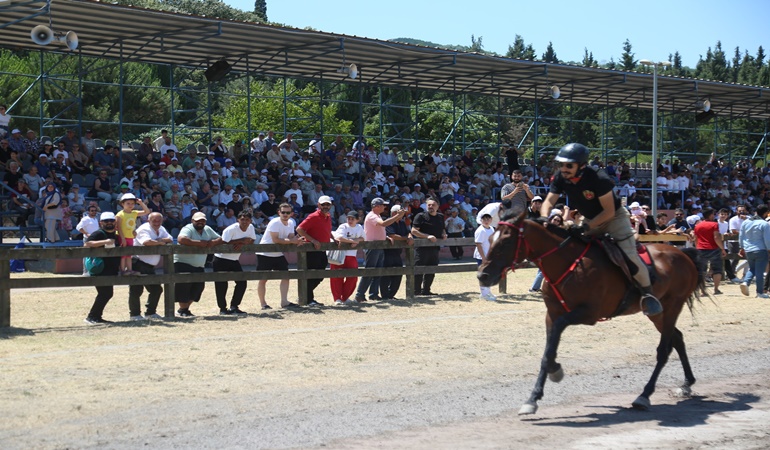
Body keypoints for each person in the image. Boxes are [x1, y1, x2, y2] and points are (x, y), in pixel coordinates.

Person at [540, 143, 663, 316]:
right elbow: (548, 201)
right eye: (561, 164)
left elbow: (609, 212)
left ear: (582, 166)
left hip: (614, 219)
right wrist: (544, 218)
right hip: (589, 218)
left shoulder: (599, 178)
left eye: (569, 165)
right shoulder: (561, 176)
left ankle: (648, 295)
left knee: (629, 256)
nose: (564, 168)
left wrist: (586, 226)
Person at [354, 198, 407, 302]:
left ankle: (373, 294)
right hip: (373, 246)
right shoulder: (372, 216)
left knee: (377, 272)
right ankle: (360, 294)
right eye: (383, 205)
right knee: (370, 271)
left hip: (378, 246)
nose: (384, 207)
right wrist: (397, 216)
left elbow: (378, 229)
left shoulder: (377, 216)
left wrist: (385, 237)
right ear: (377, 206)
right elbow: (383, 224)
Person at [255, 203, 305, 309]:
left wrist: (297, 240)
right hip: (265, 253)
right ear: (279, 212)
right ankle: (263, 304)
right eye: (283, 212)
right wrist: (293, 241)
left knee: (286, 276)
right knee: (263, 279)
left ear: (291, 214)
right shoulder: (274, 222)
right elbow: (276, 239)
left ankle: (284, 302)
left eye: (288, 212)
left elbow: (291, 237)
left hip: (278, 253)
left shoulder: (291, 222)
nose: (285, 214)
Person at [174, 211, 222, 317]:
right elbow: (181, 239)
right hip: (183, 262)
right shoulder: (188, 228)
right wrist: (199, 243)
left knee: (198, 287)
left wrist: (213, 242)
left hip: (199, 264)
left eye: (203, 221)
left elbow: (220, 238)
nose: (200, 222)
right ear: (192, 221)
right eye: (198, 220)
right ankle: (183, 309)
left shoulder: (207, 229)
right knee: (184, 286)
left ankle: (183, 309)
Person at [128, 212, 173, 321]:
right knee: (136, 290)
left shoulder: (161, 228)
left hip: (149, 266)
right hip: (138, 263)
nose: (157, 223)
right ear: (148, 220)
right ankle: (134, 315)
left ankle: (150, 312)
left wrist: (160, 241)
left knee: (156, 289)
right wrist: (160, 242)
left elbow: (170, 238)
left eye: (159, 220)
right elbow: (147, 242)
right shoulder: (144, 229)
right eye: (154, 221)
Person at [213, 210, 256, 316]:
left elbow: (252, 240)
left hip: (234, 259)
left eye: (247, 220)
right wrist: (241, 241)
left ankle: (234, 306)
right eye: (242, 219)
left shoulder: (251, 228)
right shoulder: (231, 229)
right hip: (221, 258)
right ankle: (222, 308)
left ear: (250, 221)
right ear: (238, 220)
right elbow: (223, 242)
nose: (244, 222)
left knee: (242, 282)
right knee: (221, 284)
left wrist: (243, 243)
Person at [83, 212, 121, 325]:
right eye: (106, 221)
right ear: (101, 223)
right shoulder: (98, 233)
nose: (109, 223)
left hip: (111, 269)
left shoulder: (116, 234)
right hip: (100, 269)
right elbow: (87, 244)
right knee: (105, 293)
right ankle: (92, 317)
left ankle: (96, 317)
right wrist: (105, 242)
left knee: (107, 293)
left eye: (111, 220)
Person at [296, 195, 334, 306]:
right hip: (312, 250)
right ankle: (307, 299)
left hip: (322, 250)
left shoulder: (328, 216)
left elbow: (326, 230)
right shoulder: (313, 216)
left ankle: (305, 295)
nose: (325, 206)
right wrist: (313, 240)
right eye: (323, 204)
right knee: (312, 274)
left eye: (327, 204)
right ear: (318, 205)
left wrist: (333, 237)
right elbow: (299, 229)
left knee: (320, 274)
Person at [410, 198, 447, 296]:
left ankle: (426, 290)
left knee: (432, 269)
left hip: (434, 248)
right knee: (419, 269)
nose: (431, 207)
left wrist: (444, 234)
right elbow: (414, 231)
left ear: (438, 206)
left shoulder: (440, 216)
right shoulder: (420, 216)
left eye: (433, 205)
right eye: (429, 205)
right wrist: (427, 236)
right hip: (421, 248)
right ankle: (416, 291)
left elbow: (442, 229)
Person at [330, 211, 365, 306]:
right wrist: (351, 241)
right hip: (339, 255)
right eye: (348, 218)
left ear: (358, 220)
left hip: (351, 256)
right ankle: (337, 298)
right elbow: (339, 237)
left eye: (352, 219)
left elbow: (363, 237)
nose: (350, 220)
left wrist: (357, 240)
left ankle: (345, 297)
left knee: (353, 277)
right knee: (337, 277)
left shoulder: (359, 227)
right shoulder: (343, 226)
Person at [738, 205, 770, 299]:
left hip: (748, 249)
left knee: (752, 269)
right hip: (760, 249)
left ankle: (745, 282)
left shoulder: (746, 222)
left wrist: (742, 247)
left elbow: (741, 236)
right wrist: (769, 249)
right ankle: (759, 292)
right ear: (765, 213)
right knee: (760, 272)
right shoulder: (764, 224)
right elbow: (767, 239)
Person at [115, 193, 151, 276]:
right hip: (122, 237)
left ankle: (130, 270)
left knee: (129, 254)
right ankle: (123, 270)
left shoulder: (134, 213)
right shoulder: (120, 214)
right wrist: (122, 238)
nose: (130, 205)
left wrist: (141, 203)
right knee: (123, 255)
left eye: (132, 203)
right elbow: (119, 228)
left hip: (130, 237)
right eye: (128, 203)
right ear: (122, 204)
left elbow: (147, 211)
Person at [381, 205, 412, 300]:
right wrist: (406, 238)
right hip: (387, 252)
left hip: (397, 252)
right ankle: (385, 295)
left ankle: (391, 294)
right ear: (394, 213)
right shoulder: (388, 222)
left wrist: (410, 236)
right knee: (386, 273)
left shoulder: (402, 222)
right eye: (401, 212)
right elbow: (392, 235)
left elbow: (408, 231)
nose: (403, 214)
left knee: (398, 273)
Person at [693, 208, 725, 295]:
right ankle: (716, 289)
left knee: (702, 270)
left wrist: (697, 247)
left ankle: (703, 290)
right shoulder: (714, 224)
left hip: (701, 248)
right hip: (713, 248)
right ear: (710, 215)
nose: (714, 216)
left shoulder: (698, 226)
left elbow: (696, 239)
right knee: (717, 269)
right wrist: (722, 248)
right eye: (713, 214)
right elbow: (716, 237)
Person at [474, 213, 497, 301]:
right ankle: (484, 294)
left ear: (491, 220)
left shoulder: (491, 228)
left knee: (489, 275)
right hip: (482, 257)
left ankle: (487, 291)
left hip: (489, 256)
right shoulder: (480, 230)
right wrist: (483, 257)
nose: (486, 221)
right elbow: (478, 244)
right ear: (481, 220)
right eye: (484, 219)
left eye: (488, 219)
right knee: (483, 275)